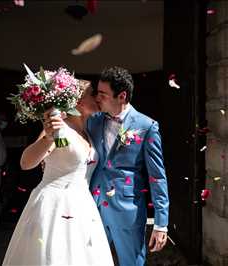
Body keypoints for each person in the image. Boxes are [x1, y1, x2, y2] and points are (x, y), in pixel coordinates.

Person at [2, 80, 114, 266]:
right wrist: (47, 138)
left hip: (83, 206)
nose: (97, 97)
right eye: (92, 93)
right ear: (78, 102)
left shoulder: (86, 132)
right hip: (54, 205)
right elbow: (26, 163)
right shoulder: (58, 129)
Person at [86, 66, 170, 266]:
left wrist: (161, 224)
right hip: (91, 206)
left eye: (103, 94)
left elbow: (157, 177)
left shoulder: (146, 126)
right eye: (97, 92)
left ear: (122, 96)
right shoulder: (92, 121)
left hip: (128, 209)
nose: (97, 98)